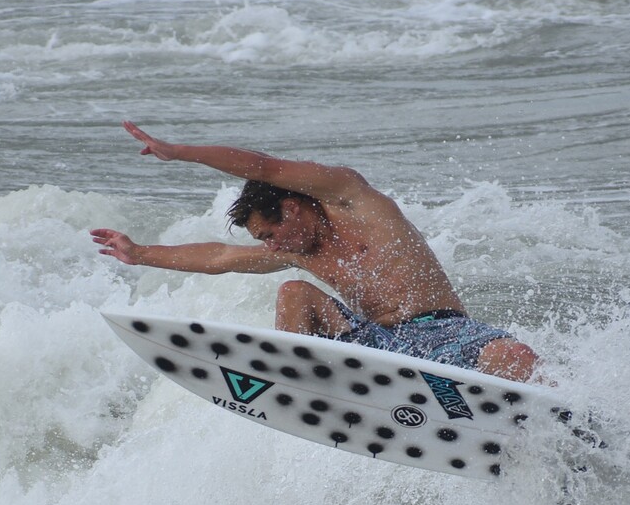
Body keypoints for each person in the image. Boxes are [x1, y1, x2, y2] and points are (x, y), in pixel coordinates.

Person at [90, 122, 541, 382]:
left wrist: (184, 153)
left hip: (444, 332)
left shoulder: (352, 199)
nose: (271, 246)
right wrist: (140, 252)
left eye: (270, 234)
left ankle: (579, 430)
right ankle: (302, 381)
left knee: (517, 359)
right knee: (293, 293)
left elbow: (264, 166)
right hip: (375, 346)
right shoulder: (300, 254)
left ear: (290, 206)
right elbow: (219, 259)